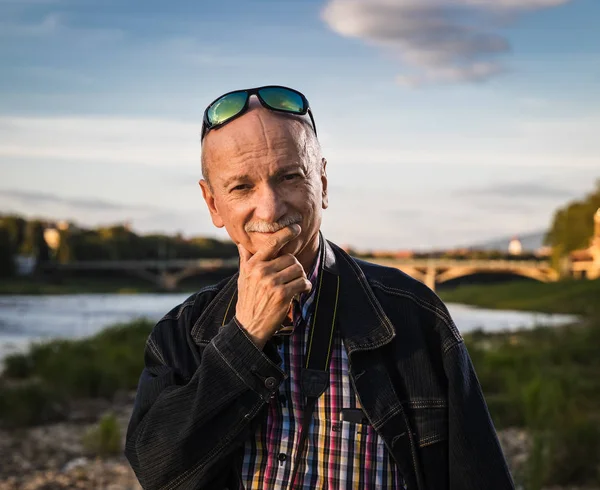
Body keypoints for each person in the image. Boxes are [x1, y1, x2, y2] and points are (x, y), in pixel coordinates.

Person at [124, 85, 515, 490]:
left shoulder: (414, 315)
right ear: (213, 204)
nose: (271, 208)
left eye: (290, 177)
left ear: (323, 183)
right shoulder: (181, 332)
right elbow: (157, 472)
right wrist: (243, 340)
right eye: (242, 187)